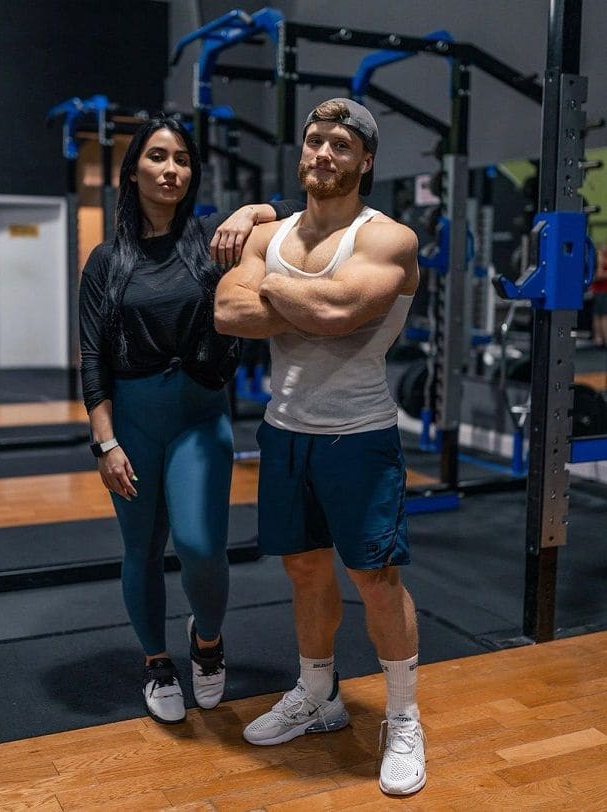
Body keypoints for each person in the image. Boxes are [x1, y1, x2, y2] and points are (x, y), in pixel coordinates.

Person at [214, 98, 425, 796]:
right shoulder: (269, 232)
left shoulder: (387, 238)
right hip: (284, 431)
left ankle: (402, 716)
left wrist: (274, 281)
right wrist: (301, 288)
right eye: (314, 141)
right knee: (305, 572)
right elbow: (226, 312)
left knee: (375, 579)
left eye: (340, 144)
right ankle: (318, 695)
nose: (324, 154)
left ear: (365, 160)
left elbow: (338, 315)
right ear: (300, 152)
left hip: (359, 435)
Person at [79, 114, 301, 725]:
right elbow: (92, 354)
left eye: (181, 159)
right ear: (132, 172)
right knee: (142, 550)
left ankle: (207, 642)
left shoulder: (212, 238)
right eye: (156, 156)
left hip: (200, 414)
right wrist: (105, 443)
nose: (171, 169)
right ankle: (156, 661)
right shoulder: (106, 261)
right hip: (133, 419)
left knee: (203, 546)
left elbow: (298, 208)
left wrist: (251, 210)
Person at [591, 244, 607, 347]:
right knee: (603, 315)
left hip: (602, 291)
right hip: (601, 290)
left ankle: (599, 338)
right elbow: (599, 275)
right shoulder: (600, 256)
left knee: (599, 315)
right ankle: (602, 339)